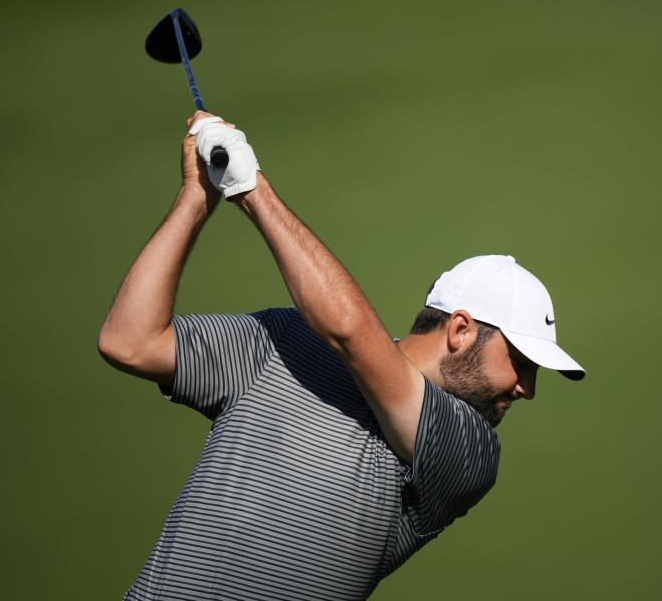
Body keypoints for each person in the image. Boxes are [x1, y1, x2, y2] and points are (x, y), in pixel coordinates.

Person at [98, 112, 585, 600]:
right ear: (460, 330)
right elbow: (131, 341)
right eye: (520, 362)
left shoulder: (469, 454)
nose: (528, 388)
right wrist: (195, 199)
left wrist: (251, 190)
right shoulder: (288, 338)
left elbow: (352, 334)